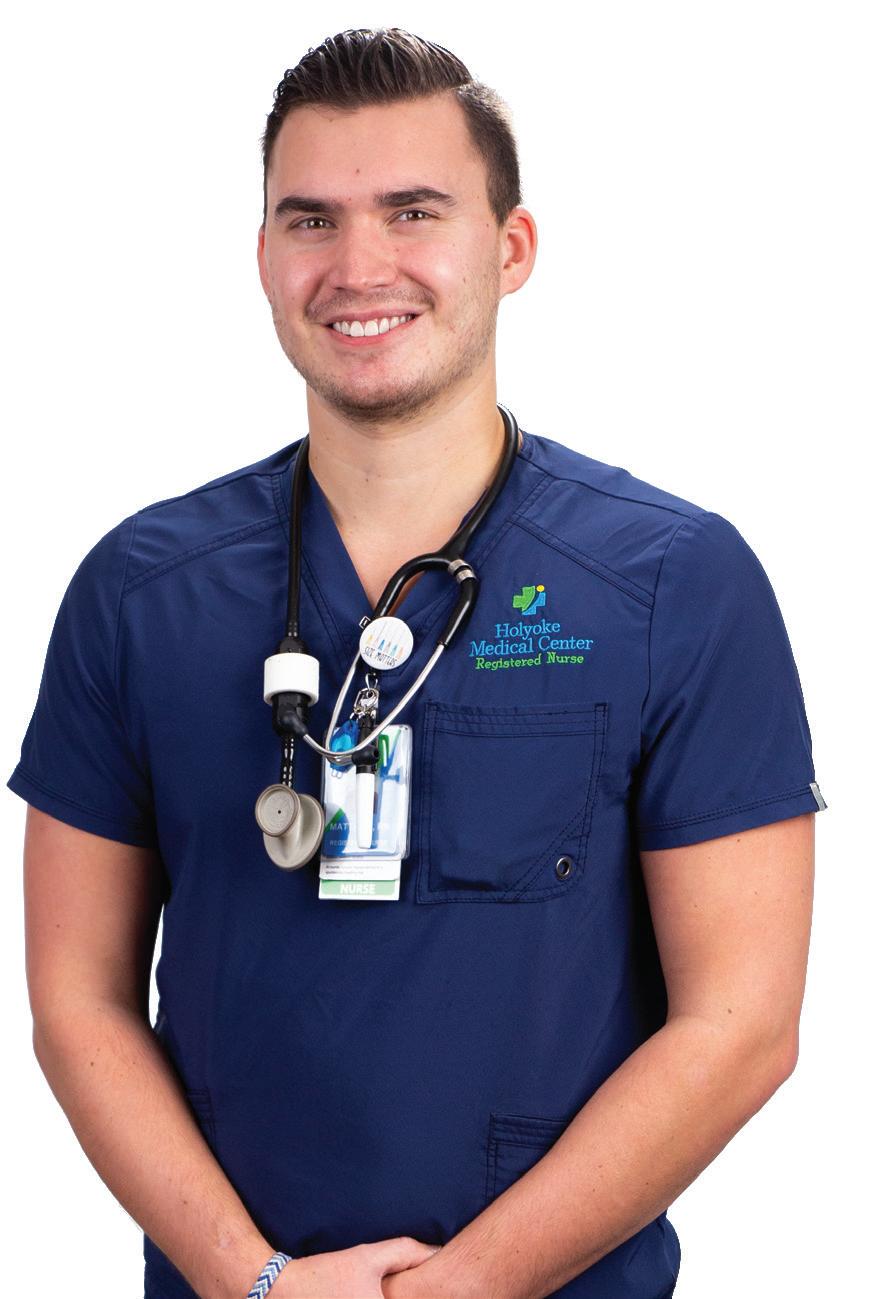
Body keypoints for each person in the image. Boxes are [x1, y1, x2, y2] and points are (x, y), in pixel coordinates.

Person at [8, 26, 826, 1299]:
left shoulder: (673, 583)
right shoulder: (140, 593)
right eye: (311, 221)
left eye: (413, 211)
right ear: (264, 257)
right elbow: (77, 1000)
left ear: (511, 249)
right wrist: (256, 1282)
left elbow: (740, 1026)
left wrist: (469, 1285)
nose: (358, 266)